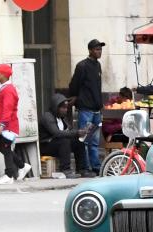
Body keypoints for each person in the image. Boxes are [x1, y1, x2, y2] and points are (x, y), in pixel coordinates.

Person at [68, 39, 105, 177]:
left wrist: (100, 106)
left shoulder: (98, 65)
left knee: (94, 141)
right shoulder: (82, 66)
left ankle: (95, 167)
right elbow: (74, 84)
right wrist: (75, 97)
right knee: (84, 139)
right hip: (86, 109)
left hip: (96, 110)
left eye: (100, 49)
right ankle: (84, 167)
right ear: (90, 50)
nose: (99, 52)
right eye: (97, 49)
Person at [0, 64, 30, 184]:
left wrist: (2, 125)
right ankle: (22, 166)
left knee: (5, 148)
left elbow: (8, 108)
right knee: (2, 147)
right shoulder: (5, 88)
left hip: (7, 125)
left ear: (3, 75)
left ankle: (9, 175)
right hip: (5, 124)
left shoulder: (8, 90)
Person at [39, 93, 86, 178]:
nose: (65, 110)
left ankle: (81, 169)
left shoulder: (61, 118)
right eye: (63, 108)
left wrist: (81, 132)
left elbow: (70, 131)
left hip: (58, 144)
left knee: (79, 142)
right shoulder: (47, 117)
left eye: (66, 108)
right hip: (46, 145)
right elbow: (57, 133)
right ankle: (65, 170)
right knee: (64, 141)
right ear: (56, 107)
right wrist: (75, 133)